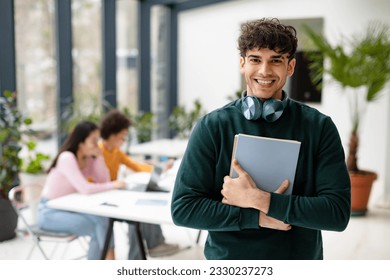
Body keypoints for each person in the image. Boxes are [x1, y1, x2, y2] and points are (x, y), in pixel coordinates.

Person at [171, 18, 351, 260]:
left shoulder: (319, 127)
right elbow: (184, 209)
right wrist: (254, 218)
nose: (265, 71)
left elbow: (336, 214)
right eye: (256, 59)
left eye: (276, 60)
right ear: (243, 64)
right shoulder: (212, 127)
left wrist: (260, 199)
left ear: (290, 67)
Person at [38, 121, 126, 260]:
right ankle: (109, 261)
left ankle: (108, 262)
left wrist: (99, 157)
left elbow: (103, 181)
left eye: (98, 141)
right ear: (81, 142)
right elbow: (85, 189)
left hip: (70, 208)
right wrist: (114, 185)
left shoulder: (88, 159)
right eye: (93, 141)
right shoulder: (67, 157)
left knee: (103, 221)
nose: (97, 145)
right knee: (100, 228)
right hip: (49, 212)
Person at [99, 109, 179, 259]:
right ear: (113, 135)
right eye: (122, 137)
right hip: (104, 196)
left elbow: (135, 165)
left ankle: (155, 243)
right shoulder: (97, 151)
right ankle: (137, 258)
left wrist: (159, 169)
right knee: (135, 213)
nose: (123, 141)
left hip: (115, 191)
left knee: (146, 200)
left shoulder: (116, 152)